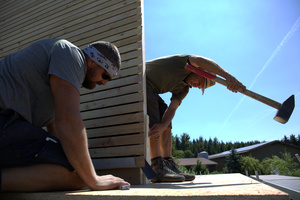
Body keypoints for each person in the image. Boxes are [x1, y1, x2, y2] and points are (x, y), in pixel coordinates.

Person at [0, 39, 130, 192]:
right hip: (5, 122)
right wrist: (93, 180)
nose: (104, 83)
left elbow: (59, 133)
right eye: (105, 75)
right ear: (91, 61)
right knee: (79, 175)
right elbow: (68, 121)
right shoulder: (71, 54)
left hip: (8, 128)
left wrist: (80, 166)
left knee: (78, 167)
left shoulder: (58, 81)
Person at [146, 54, 246, 182]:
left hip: (152, 90)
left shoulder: (184, 89)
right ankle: (156, 168)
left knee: (165, 117)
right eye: (201, 82)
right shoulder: (183, 64)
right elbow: (199, 60)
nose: (197, 86)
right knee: (154, 113)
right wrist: (228, 77)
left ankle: (168, 163)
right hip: (138, 78)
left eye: (200, 87)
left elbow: (172, 109)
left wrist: (164, 125)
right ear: (199, 71)